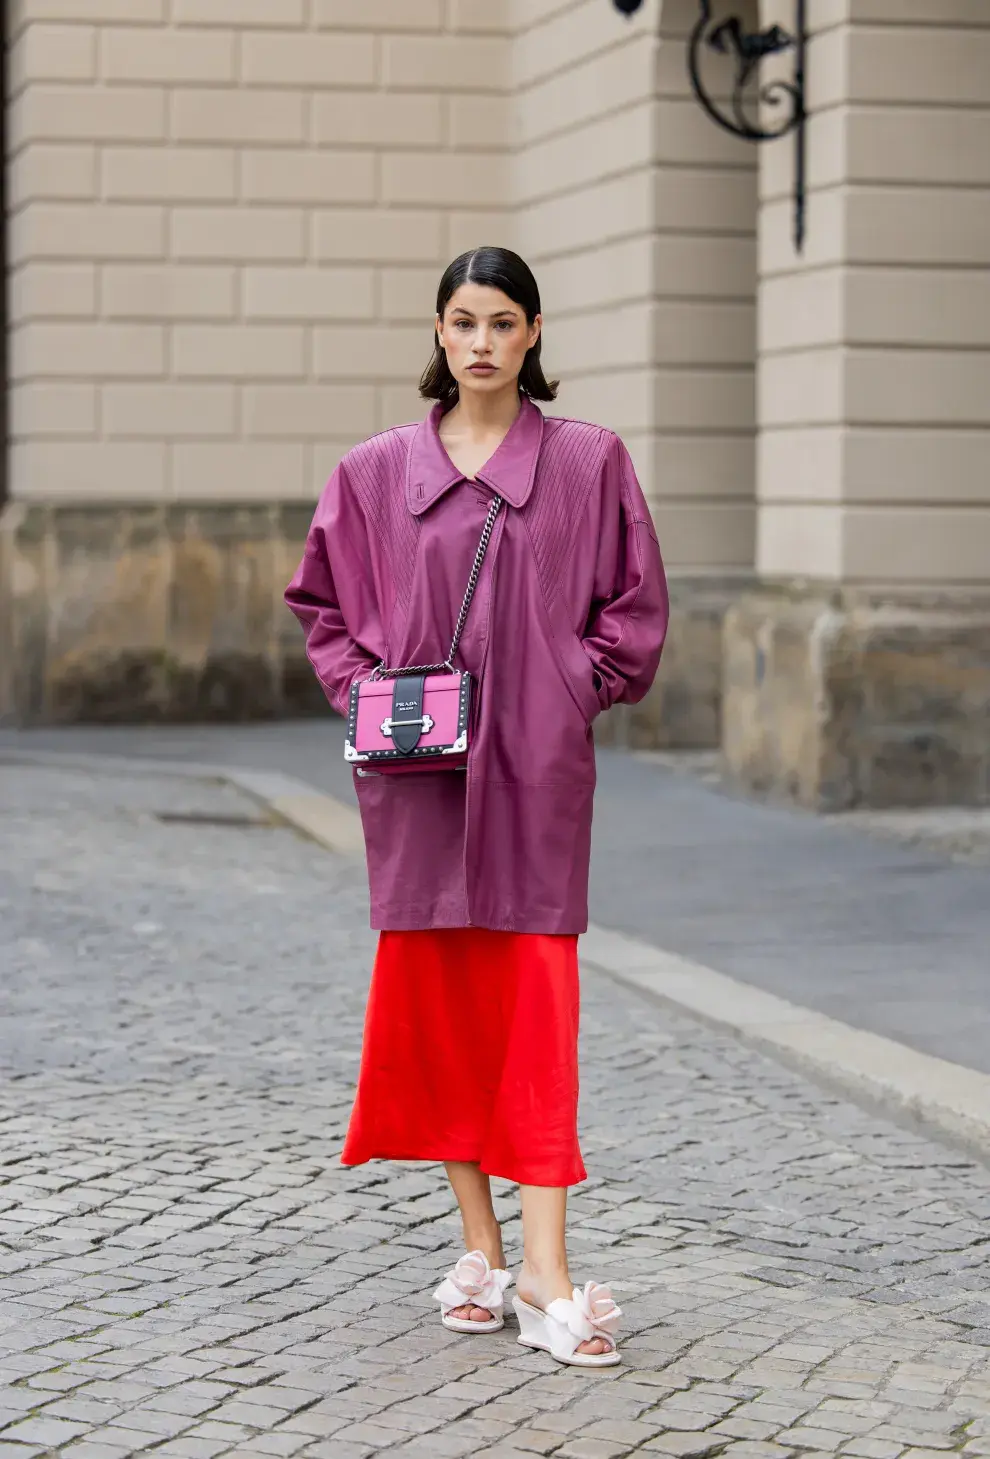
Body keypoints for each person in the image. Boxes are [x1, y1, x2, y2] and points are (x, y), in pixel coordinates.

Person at [285, 246, 668, 1367]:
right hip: (418, 782)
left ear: (534, 335)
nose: (484, 341)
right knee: (443, 1012)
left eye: (504, 321)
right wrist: (369, 697)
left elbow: (634, 611)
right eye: (464, 321)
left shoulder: (591, 463)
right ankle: (484, 1248)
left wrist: (565, 689)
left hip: (538, 779)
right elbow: (321, 606)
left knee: (535, 1009)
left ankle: (545, 1265)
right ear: (439, 334)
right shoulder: (372, 473)